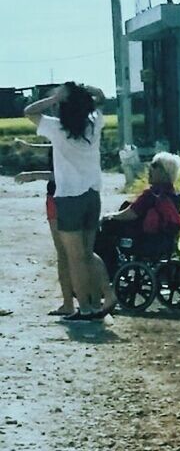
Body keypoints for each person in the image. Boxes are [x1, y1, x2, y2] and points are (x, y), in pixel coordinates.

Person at [23, 82, 115, 321]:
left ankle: (85, 307)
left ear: (63, 108)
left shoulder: (56, 129)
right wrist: (86, 90)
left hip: (68, 198)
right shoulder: (94, 125)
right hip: (92, 195)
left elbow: (29, 111)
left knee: (74, 258)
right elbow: (102, 98)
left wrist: (56, 98)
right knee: (87, 253)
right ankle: (105, 295)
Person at [96, 151, 180, 278]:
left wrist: (109, 216)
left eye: (154, 165)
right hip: (163, 240)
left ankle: (108, 270)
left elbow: (131, 213)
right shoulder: (172, 194)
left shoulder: (152, 194)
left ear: (164, 172)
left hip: (142, 239)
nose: (150, 168)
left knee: (105, 228)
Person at [13, 148, 76, 316]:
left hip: (58, 197)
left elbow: (62, 174)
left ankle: (69, 303)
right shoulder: (76, 133)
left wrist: (33, 175)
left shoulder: (62, 132)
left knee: (64, 253)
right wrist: (27, 146)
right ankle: (89, 298)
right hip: (79, 196)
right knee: (80, 252)